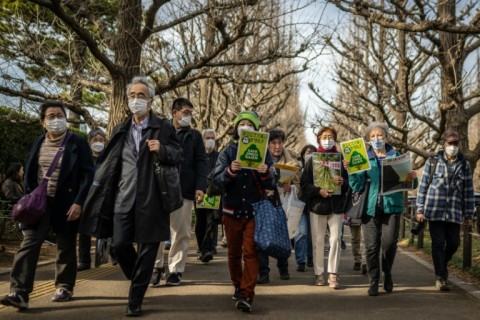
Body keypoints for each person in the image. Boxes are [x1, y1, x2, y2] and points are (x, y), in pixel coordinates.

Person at [80, 76, 183, 316]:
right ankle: (139, 280)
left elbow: (179, 156)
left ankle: (134, 299)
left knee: (148, 249)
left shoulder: (163, 126)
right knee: (120, 244)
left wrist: (163, 149)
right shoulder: (120, 128)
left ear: (151, 100)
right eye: (132, 96)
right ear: (127, 100)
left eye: (141, 96)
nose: (136, 100)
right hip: (123, 197)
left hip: (152, 197)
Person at [0, 101, 94, 310]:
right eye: (51, 116)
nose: (56, 119)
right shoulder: (37, 142)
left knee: (65, 245)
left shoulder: (76, 142)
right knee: (29, 244)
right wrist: (29, 196)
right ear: (43, 122)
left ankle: (64, 286)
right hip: (40, 203)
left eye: (59, 115)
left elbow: (88, 175)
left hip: (67, 203)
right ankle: (19, 291)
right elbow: (31, 172)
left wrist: (79, 202)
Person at [213, 110, 275, 312]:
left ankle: (247, 294)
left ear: (256, 129)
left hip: (254, 211)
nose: (245, 126)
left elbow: (273, 182)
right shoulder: (227, 152)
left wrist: (265, 174)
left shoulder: (263, 151)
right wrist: (230, 171)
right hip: (231, 211)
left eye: (250, 123)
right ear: (236, 128)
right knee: (233, 253)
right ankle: (238, 286)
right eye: (242, 123)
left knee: (250, 252)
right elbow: (215, 182)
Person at [348, 122, 417, 296]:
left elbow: (410, 183)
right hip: (370, 208)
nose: (377, 139)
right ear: (368, 139)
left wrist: (412, 178)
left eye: (380, 135)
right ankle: (373, 279)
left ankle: (387, 273)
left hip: (392, 206)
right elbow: (357, 185)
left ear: (386, 137)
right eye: (373, 136)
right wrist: (352, 172)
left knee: (388, 245)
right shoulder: (363, 157)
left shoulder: (397, 155)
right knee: (371, 247)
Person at [150, 97, 208, 287]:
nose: (189, 116)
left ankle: (175, 270)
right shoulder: (159, 131)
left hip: (185, 189)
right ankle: (156, 266)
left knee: (180, 232)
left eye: (191, 113)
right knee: (155, 230)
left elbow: (201, 162)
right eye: (185, 112)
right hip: (159, 187)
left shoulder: (195, 136)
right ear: (174, 113)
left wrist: (200, 186)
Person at [416, 130, 474, 291]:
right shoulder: (432, 162)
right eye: (450, 143)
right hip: (435, 211)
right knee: (438, 243)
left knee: (454, 243)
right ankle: (440, 277)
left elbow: (468, 191)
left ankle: (442, 265)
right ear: (444, 144)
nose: (453, 147)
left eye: (455, 144)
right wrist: (420, 210)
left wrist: (469, 213)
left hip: (454, 212)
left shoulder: (464, 165)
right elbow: (423, 187)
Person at [300, 127, 348, 289]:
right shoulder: (313, 160)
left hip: (337, 205)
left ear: (335, 139)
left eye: (331, 137)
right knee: (318, 241)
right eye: (324, 137)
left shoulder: (342, 159)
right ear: (319, 139)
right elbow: (304, 184)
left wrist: (344, 181)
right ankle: (319, 273)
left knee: (335, 239)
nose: (328, 140)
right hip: (318, 205)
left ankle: (333, 273)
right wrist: (318, 191)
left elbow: (351, 183)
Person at [256, 129, 295, 283]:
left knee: (281, 236)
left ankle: (283, 267)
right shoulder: (260, 161)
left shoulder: (291, 163)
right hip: (263, 203)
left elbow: (300, 185)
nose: (277, 146)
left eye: (280, 143)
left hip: (283, 204)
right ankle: (263, 272)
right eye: (273, 143)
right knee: (261, 238)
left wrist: (291, 187)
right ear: (267, 145)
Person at [77, 128, 107, 271]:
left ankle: (104, 256)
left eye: (101, 140)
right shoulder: (83, 158)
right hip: (86, 197)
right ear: (89, 142)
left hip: (103, 198)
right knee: (83, 230)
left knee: (105, 228)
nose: (98, 143)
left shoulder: (108, 159)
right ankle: (84, 260)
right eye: (95, 140)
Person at [194, 129, 219, 262]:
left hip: (213, 193)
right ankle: (202, 247)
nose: (210, 140)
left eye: (212, 138)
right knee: (200, 222)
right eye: (208, 138)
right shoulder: (199, 155)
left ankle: (207, 249)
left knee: (211, 222)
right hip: (200, 192)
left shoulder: (218, 156)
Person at [294, 145, 316, 272]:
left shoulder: (318, 166)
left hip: (313, 204)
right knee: (301, 232)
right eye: (308, 152)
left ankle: (310, 258)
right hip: (300, 203)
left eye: (313, 152)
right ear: (303, 154)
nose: (310, 154)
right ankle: (300, 260)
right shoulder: (296, 167)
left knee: (312, 235)